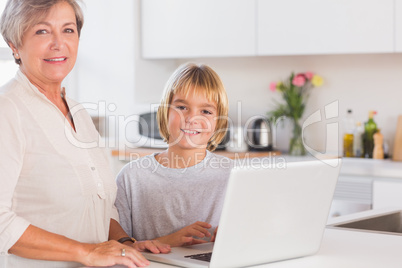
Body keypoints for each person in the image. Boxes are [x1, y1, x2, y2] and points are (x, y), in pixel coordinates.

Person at [0, 1, 170, 267]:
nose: (58, 43)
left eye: (68, 30)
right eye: (42, 31)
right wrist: (85, 252)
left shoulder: (78, 113)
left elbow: (99, 205)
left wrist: (125, 244)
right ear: (14, 44)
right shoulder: (7, 110)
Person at [115, 63, 234, 247]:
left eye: (205, 111)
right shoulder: (131, 177)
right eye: (182, 107)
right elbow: (119, 249)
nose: (192, 118)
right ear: (165, 111)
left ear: (218, 122)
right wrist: (165, 242)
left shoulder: (233, 176)